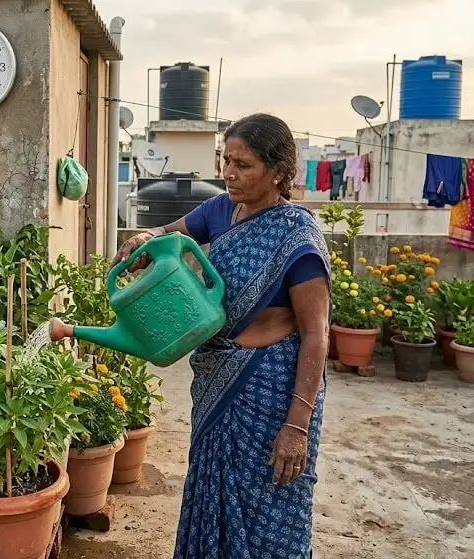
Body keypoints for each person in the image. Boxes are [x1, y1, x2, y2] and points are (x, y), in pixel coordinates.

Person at [112, 113, 330, 558]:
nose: (229, 173)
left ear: (279, 171)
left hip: (270, 397)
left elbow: (317, 336)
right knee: (211, 491)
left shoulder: (297, 237)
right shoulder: (219, 210)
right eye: (226, 160)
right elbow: (169, 235)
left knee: (270, 509)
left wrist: (296, 426)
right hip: (217, 381)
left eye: (244, 164)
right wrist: (145, 237)